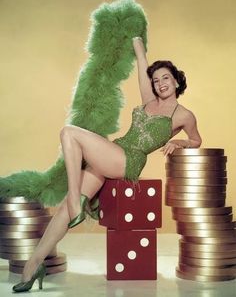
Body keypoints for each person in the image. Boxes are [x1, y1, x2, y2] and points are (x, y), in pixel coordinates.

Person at [12, 37, 202, 292]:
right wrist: (136, 39)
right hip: (115, 152)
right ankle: (34, 265)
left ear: (176, 80)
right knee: (63, 214)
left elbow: (196, 140)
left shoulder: (184, 115)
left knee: (69, 132)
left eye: (165, 78)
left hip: (130, 160)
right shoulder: (149, 99)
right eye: (156, 80)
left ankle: (73, 200)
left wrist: (178, 143)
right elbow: (142, 63)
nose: (160, 84)